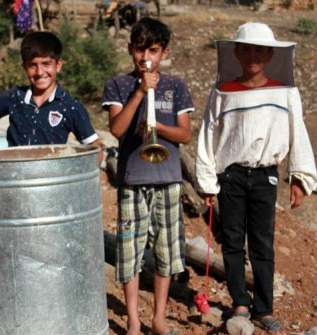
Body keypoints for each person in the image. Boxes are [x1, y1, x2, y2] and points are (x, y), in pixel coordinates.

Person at [194, 22, 317, 335]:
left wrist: (300, 177)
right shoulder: (223, 91)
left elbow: (296, 132)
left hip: (266, 176)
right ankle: (239, 302)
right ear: (236, 52)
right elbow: (209, 134)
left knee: (262, 243)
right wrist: (207, 182)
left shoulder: (285, 91)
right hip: (231, 176)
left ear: (270, 53)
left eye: (259, 49)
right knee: (233, 242)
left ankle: (264, 307)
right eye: (246, 48)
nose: (253, 55)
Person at [102, 17, 194, 335]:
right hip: (132, 180)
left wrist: (157, 129)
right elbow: (116, 129)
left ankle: (158, 317)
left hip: (167, 179)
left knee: (166, 251)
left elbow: (184, 135)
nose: (146, 57)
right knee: (129, 251)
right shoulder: (119, 85)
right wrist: (141, 92)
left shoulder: (176, 87)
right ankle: (132, 320)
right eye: (140, 50)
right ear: (131, 49)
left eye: (153, 50)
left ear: (164, 52)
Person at [0, 31, 102, 152]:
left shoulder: (70, 106)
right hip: (16, 183)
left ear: (58, 65)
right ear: (24, 67)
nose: (39, 72)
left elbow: (95, 148)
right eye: (32, 65)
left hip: (50, 187)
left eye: (46, 64)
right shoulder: (14, 97)